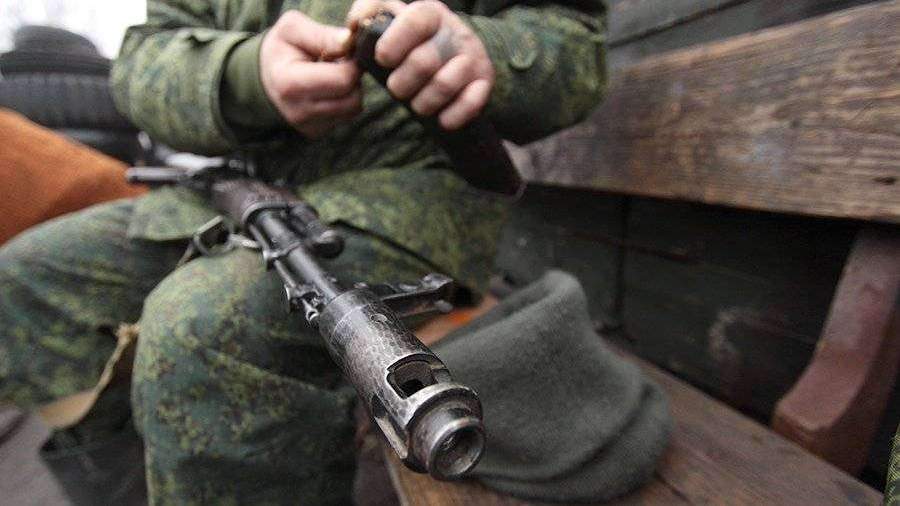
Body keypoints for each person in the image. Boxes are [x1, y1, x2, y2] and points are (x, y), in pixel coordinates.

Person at [0, 0, 608, 503]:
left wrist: (480, 54)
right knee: (22, 281)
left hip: (397, 195)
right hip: (227, 191)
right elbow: (141, 62)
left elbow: (572, 46)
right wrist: (245, 76)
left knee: (201, 327)